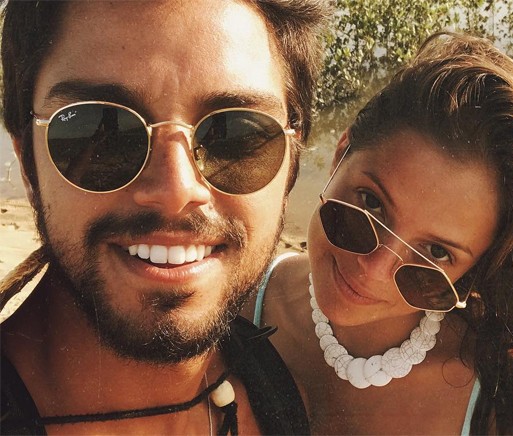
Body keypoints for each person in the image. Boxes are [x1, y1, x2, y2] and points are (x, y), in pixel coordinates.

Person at [0, 1, 329, 434]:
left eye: (234, 135)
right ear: (27, 161)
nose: (176, 192)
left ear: (294, 162)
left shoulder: (276, 390)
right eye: (104, 130)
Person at [251, 32, 513, 434]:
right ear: (340, 154)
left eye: (436, 252)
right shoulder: (233, 299)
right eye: (371, 204)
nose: (375, 270)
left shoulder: (506, 400)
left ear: (472, 272)